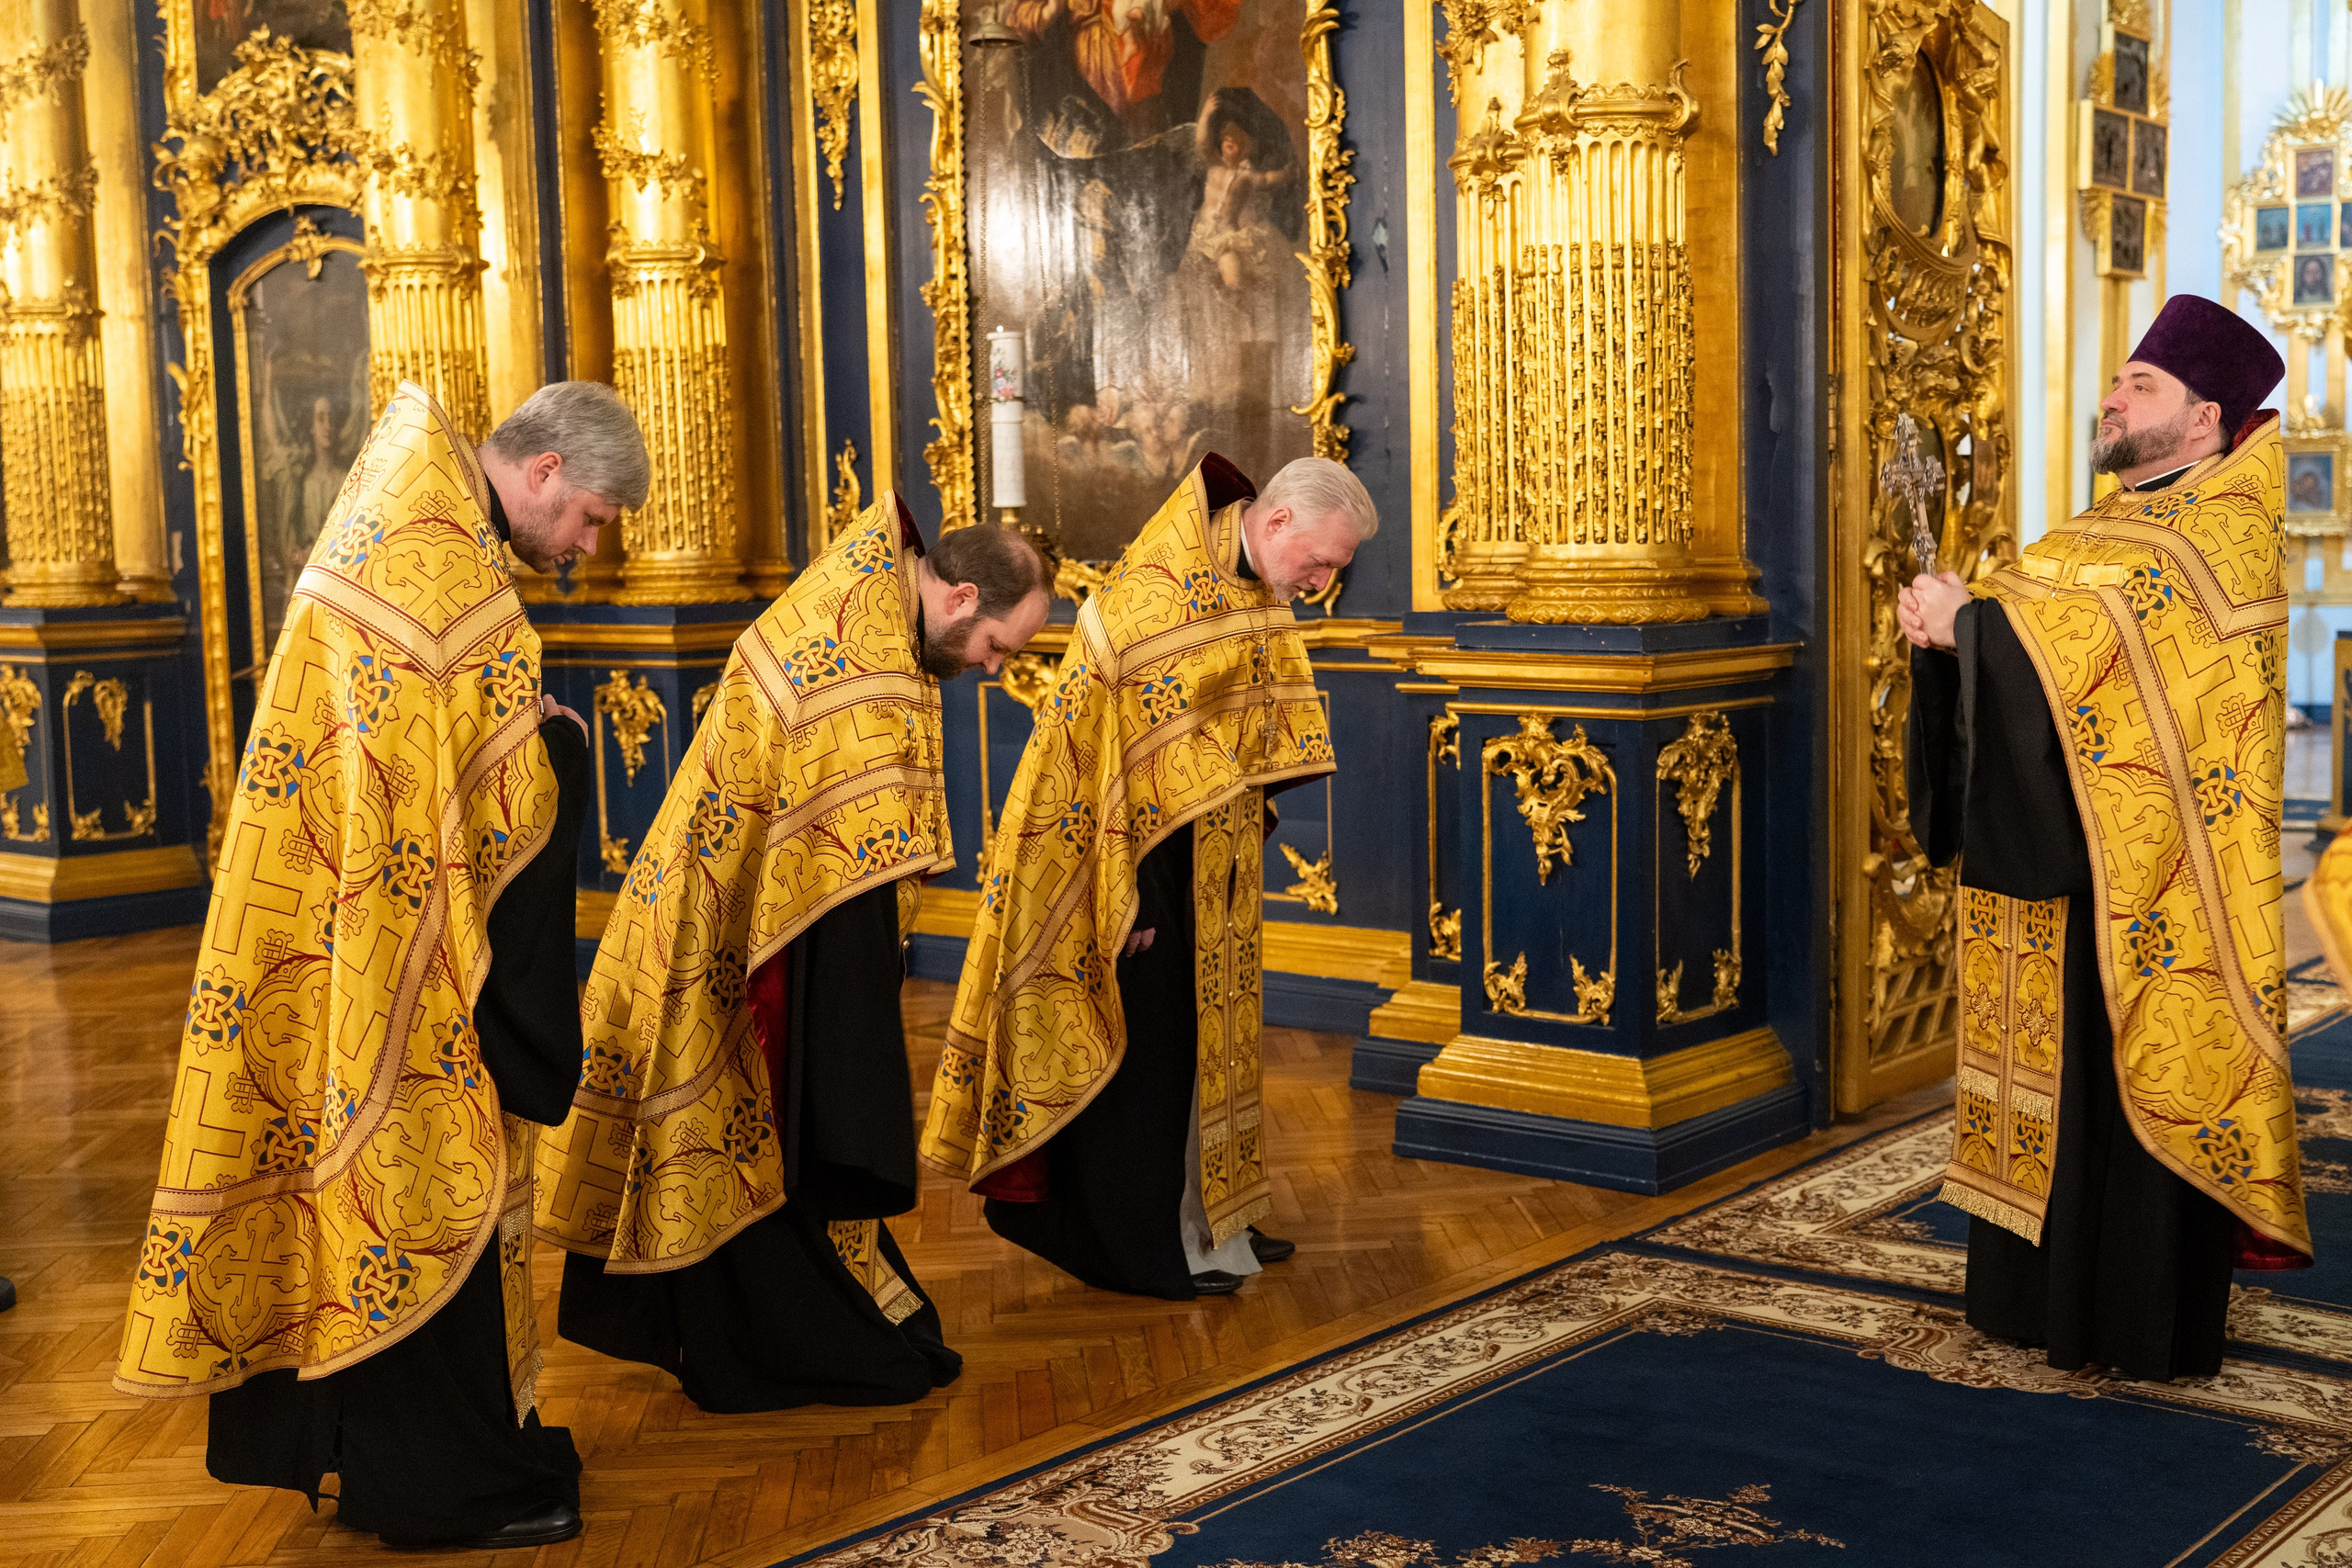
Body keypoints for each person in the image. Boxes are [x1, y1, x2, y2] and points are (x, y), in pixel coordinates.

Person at [114, 379, 647, 1548]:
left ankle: (399, 1450)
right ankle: (439, 1479)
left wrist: (518, 735)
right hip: (393, 954)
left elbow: (435, 743)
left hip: (346, 913)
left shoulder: (423, 518)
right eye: (594, 518)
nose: (586, 547)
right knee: (411, 1176)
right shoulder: (440, 557)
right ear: (548, 470)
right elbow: (459, 766)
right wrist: (537, 761)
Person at [535, 507, 1050, 1411]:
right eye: (997, 646)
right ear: (961, 596)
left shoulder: (880, 623)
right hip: (749, 940)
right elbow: (820, 867)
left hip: (775, 918)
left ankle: (817, 1311)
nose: (991, 668)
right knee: (764, 1116)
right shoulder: (853, 654)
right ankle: (763, 1332)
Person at [1900, 293, 2312, 1382]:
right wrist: (1950, 636)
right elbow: (2046, 640)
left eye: (2140, 387)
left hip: (2158, 884)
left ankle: (2132, 1320)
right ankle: (2027, 1299)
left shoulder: (2223, 530)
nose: (2112, 398)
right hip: (2049, 861)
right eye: (2117, 379)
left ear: (2205, 416)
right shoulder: (2098, 527)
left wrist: (1975, 626)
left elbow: (2121, 666)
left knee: (2125, 1084)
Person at [921, 454, 1375, 1299]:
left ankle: (1216, 1219)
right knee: (1151, 1055)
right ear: (1275, 523)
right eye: (1318, 561)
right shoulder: (1154, 598)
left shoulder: (1255, 594)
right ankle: (1136, 1241)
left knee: (1215, 1045)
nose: (1315, 584)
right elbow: (1110, 766)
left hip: (1217, 860)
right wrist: (1126, 888)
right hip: (1133, 873)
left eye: (1330, 571)